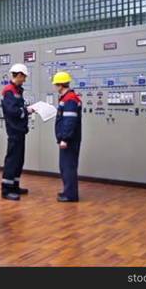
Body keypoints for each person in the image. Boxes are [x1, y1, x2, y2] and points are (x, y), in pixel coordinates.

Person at [0, 64, 35, 201]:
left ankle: (14, 186)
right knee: (12, 160)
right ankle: (6, 190)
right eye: (24, 76)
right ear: (19, 75)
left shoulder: (16, 90)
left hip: (20, 130)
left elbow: (17, 108)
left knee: (19, 160)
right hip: (14, 130)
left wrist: (26, 109)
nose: (25, 79)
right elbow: (12, 111)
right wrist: (27, 111)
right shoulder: (9, 91)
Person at [53, 71, 82, 202]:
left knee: (68, 167)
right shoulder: (68, 98)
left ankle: (70, 195)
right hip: (68, 138)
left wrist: (65, 138)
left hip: (69, 140)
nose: (55, 87)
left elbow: (69, 121)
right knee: (65, 166)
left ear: (60, 85)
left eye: (56, 85)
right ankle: (67, 191)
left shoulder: (70, 99)